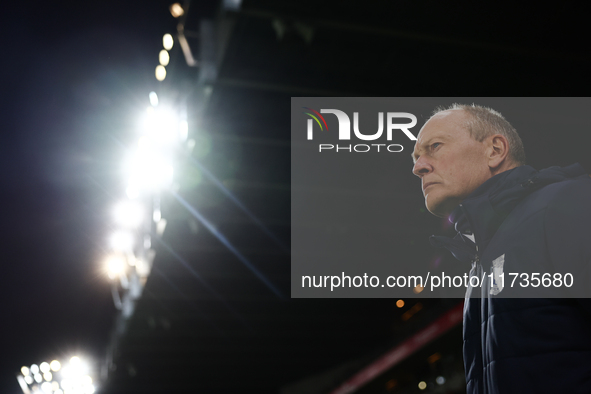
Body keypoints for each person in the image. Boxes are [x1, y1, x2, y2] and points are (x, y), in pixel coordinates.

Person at [411, 104, 591, 393]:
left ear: (494, 150)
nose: (419, 167)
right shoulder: (480, 262)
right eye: (417, 157)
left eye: (434, 147)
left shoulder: (567, 204)